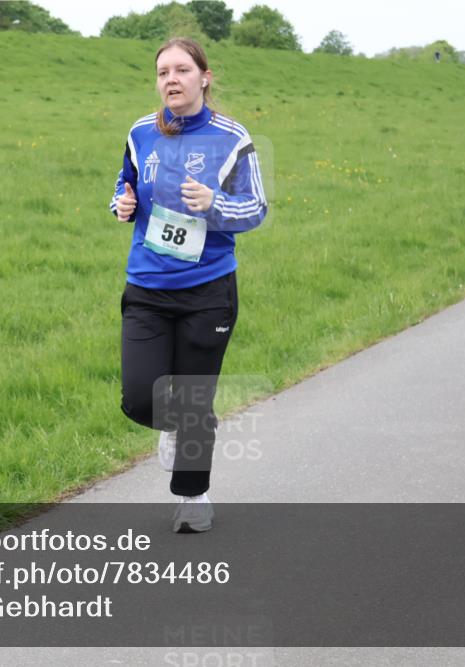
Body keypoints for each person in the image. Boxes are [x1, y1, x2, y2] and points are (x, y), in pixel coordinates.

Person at [108, 37, 268, 533]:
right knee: (139, 397)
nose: (170, 80)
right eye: (162, 73)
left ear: (205, 77)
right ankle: (173, 425)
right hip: (148, 288)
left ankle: (194, 497)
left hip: (208, 292)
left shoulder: (232, 137)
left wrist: (213, 205)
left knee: (197, 400)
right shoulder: (141, 132)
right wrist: (121, 204)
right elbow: (124, 183)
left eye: (181, 70)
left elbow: (256, 207)